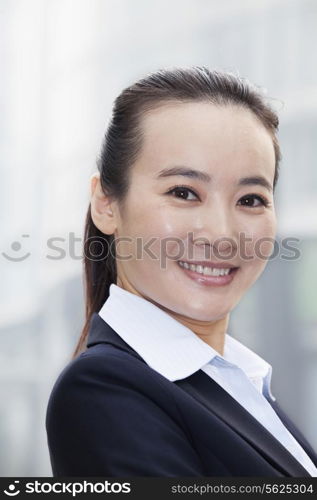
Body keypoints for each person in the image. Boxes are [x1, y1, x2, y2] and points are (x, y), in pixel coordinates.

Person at [45, 66, 317, 477]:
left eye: (251, 199)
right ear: (106, 204)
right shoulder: (104, 390)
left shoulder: (241, 382)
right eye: (184, 193)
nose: (222, 235)